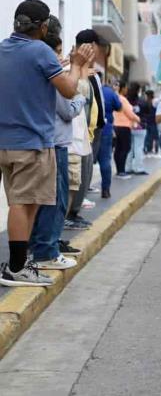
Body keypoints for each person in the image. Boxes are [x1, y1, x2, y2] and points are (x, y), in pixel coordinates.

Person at [0, 0, 94, 286]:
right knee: (23, 203)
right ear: (42, 27)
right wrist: (77, 67)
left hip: (5, 141)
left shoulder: (3, 48)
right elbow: (67, 91)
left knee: (22, 202)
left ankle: (21, 263)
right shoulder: (41, 51)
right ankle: (17, 267)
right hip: (33, 141)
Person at [28, 17, 86, 270]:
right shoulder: (55, 76)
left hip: (37, 141)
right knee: (55, 200)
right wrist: (81, 97)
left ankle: (36, 249)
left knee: (36, 201)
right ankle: (46, 251)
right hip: (56, 143)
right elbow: (67, 108)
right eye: (59, 52)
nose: (61, 57)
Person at [67, 29, 106, 226]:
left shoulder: (93, 72)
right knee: (77, 178)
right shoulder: (74, 70)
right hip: (80, 134)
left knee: (84, 176)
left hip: (91, 131)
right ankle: (70, 215)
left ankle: (74, 213)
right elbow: (80, 99)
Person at [112, 81, 140, 180]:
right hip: (124, 126)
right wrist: (138, 119)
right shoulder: (123, 99)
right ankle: (121, 171)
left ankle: (119, 170)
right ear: (122, 88)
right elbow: (129, 113)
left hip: (116, 125)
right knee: (125, 148)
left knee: (119, 149)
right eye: (126, 88)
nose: (127, 90)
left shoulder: (116, 98)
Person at [99, 82, 122, 198]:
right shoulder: (111, 93)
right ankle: (105, 190)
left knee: (86, 162)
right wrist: (116, 94)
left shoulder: (93, 87)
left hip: (90, 129)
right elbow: (119, 107)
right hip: (106, 129)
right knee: (105, 160)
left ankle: (83, 193)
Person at [125, 83, 148, 175]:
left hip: (129, 126)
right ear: (139, 90)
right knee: (139, 148)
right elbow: (148, 111)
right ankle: (139, 168)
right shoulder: (142, 101)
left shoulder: (126, 100)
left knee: (129, 149)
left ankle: (127, 168)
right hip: (140, 126)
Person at [141, 90, 159, 155]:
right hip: (154, 121)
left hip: (147, 121)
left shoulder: (145, 102)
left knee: (148, 136)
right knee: (156, 137)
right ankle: (156, 149)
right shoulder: (154, 102)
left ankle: (147, 148)